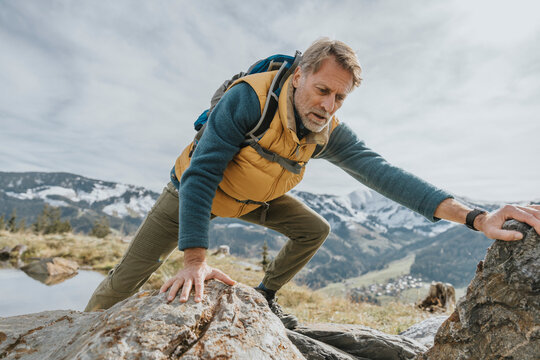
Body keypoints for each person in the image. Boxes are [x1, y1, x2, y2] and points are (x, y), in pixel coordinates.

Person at [85, 38, 540, 329]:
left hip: (254, 198)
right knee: (126, 278)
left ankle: (264, 297)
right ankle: (70, 333)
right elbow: (202, 173)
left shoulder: (329, 130)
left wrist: (477, 217)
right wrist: (195, 260)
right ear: (299, 75)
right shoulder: (250, 98)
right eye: (323, 90)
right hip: (191, 195)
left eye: (340, 97)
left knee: (314, 229)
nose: (329, 104)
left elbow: (388, 177)